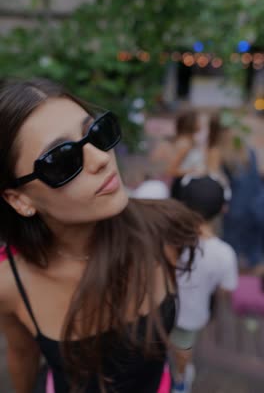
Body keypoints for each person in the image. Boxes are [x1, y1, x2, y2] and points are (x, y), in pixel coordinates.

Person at [0, 79, 200, 393]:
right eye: (62, 159)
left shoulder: (165, 228)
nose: (101, 158)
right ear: (19, 200)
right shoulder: (9, 281)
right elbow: (22, 354)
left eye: (97, 133)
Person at [169, 175, 238, 393]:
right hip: (191, 314)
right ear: (222, 210)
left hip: (161, 306)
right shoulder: (225, 254)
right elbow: (226, 289)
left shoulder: (167, 236)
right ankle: (181, 378)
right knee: (184, 349)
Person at [207, 112, 263, 268]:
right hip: (257, 205)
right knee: (255, 254)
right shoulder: (247, 150)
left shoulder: (217, 152)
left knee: (232, 256)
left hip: (235, 208)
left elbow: (215, 180)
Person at [167, 110, 205, 200]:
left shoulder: (191, 142)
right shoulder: (184, 144)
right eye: (198, 120)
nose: (201, 123)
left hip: (191, 186)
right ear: (191, 123)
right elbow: (170, 170)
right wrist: (193, 171)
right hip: (183, 187)